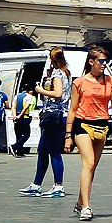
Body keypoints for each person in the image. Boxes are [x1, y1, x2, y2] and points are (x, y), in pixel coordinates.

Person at [65, 46, 112, 221]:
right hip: (82, 124)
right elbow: (72, 109)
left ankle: (80, 201)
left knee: (93, 166)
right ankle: (86, 207)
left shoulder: (111, 82)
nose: (104, 64)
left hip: (102, 125)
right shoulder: (79, 82)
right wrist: (68, 134)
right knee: (88, 163)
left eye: (106, 61)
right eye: (101, 61)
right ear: (91, 62)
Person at [22, 47, 70, 198]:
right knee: (42, 150)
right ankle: (36, 184)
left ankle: (58, 186)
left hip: (54, 115)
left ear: (53, 60)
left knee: (54, 151)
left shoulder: (58, 73)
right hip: (57, 115)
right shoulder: (66, 72)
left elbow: (57, 93)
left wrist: (40, 90)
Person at [10, 81, 36, 158]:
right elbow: (26, 107)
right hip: (24, 117)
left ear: (22, 88)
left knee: (18, 134)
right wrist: (20, 115)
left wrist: (15, 116)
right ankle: (15, 146)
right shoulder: (29, 97)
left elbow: (13, 107)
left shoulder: (17, 96)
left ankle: (19, 152)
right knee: (26, 134)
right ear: (29, 90)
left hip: (16, 117)